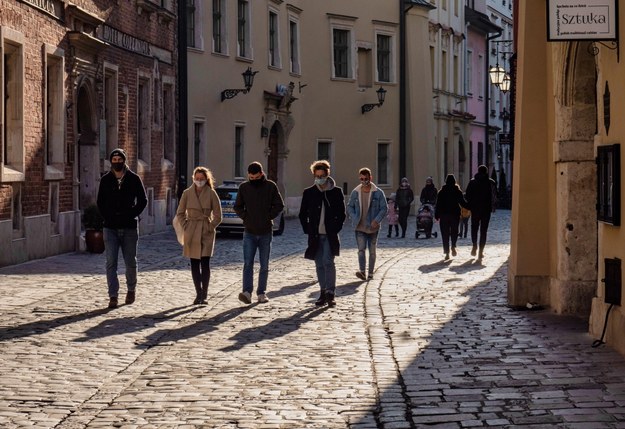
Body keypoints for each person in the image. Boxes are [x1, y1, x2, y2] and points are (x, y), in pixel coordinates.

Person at [97, 148, 147, 309]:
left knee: (130, 262)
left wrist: (132, 214)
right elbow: (100, 202)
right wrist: (107, 217)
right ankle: (113, 296)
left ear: (124, 161)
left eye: (119, 159)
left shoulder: (134, 179)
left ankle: (131, 289)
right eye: (114, 159)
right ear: (111, 161)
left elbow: (143, 200)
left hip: (129, 227)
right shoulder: (106, 180)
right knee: (111, 262)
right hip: (110, 227)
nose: (116, 162)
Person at [234, 161, 285, 304]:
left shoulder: (270, 186)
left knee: (264, 264)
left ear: (261, 174)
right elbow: (237, 206)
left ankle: (261, 292)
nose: (254, 180)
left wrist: (268, 216)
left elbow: (279, 205)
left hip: (265, 232)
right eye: (251, 178)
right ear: (248, 176)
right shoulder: (244, 187)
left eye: (256, 177)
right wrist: (246, 217)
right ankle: (247, 292)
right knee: (248, 263)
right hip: (249, 231)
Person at [299, 160, 346, 307]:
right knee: (319, 263)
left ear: (327, 175)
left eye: (322, 175)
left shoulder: (336, 192)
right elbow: (302, 214)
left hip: (330, 234)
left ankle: (330, 293)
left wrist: (335, 227)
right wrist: (308, 229)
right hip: (315, 235)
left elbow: (341, 214)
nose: (319, 178)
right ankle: (322, 291)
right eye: (317, 175)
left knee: (328, 261)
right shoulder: (309, 192)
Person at [176, 167, 223, 305]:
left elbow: (218, 215)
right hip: (191, 230)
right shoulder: (187, 193)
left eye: (202, 179)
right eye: (197, 178)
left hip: (206, 230)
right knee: (194, 263)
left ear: (206, 179)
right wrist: (186, 226)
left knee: (205, 262)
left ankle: (205, 294)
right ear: (193, 178)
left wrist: (210, 226)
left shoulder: (211, 193)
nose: (199, 181)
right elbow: (180, 212)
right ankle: (198, 294)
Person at [347, 168, 388, 280]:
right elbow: (349, 206)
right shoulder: (356, 192)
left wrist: (377, 220)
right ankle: (362, 272)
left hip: (373, 227)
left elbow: (384, 208)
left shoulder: (378, 193)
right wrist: (354, 217)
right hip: (359, 226)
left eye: (366, 178)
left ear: (370, 178)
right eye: (361, 178)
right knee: (361, 250)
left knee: (372, 251)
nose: (364, 181)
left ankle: (370, 273)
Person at [465, 164, 497, 262]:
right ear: (486, 172)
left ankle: (474, 245)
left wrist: (471, 204)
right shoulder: (491, 182)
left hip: (475, 209)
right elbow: (495, 195)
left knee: (474, 228)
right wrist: (493, 206)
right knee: (484, 231)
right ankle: (480, 252)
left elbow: (467, 195)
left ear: (478, 171)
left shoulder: (472, 182)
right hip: (486, 210)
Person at [435, 174, 468, 260]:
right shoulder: (457, 191)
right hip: (454, 214)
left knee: (444, 233)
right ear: (454, 181)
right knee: (454, 231)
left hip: (444, 215)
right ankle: (453, 245)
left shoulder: (441, 192)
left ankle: (446, 252)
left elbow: (438, 204)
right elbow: (462, 202)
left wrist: (436, 215)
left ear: (446, 181)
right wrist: (470, 206)